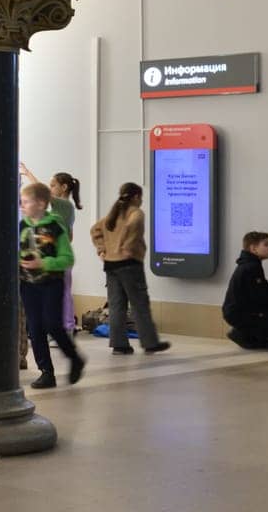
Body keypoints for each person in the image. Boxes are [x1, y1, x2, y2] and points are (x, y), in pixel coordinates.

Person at [89, 182, 169, 356]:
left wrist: (102, 249)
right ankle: (150, 343)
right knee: (140, 304)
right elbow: (134, 226)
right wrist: (127, 246)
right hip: (129, 264)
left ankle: (119, 345)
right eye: (141, 198)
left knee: (117, 305)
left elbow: (95, 230)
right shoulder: (135, 213)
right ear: (136, 197)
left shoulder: (113, 214)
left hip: (110, 265)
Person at [19, 181, 84, 389]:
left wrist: (44, 263)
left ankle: (75, 358)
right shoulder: (22, 226)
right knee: (35, 329)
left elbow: (67, 258)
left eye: (26, 201)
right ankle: (47, 372)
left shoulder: (55, 226)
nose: (22, 205)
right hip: (28, 284)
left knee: (52, 325)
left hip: (51, 283)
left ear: (40, 203)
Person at [21, 163, 83, 331]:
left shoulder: (65, 205)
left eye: (53, 185)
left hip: (59, 257)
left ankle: (67, 327)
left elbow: (41, 192)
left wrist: (28, 174)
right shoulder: (58, 208)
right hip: (53, 255)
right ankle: (58, 327)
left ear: (64, 187)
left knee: (63, 294)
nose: (50, 188)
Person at [223, 231, 268, 349]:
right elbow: (262, 298)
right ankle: (248, 336)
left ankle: (249, 334)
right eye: (266, 244)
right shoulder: (251, 267)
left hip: (241, 313)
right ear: (253, 249)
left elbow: (262, 292)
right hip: (243, 315)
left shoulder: (249, 265)